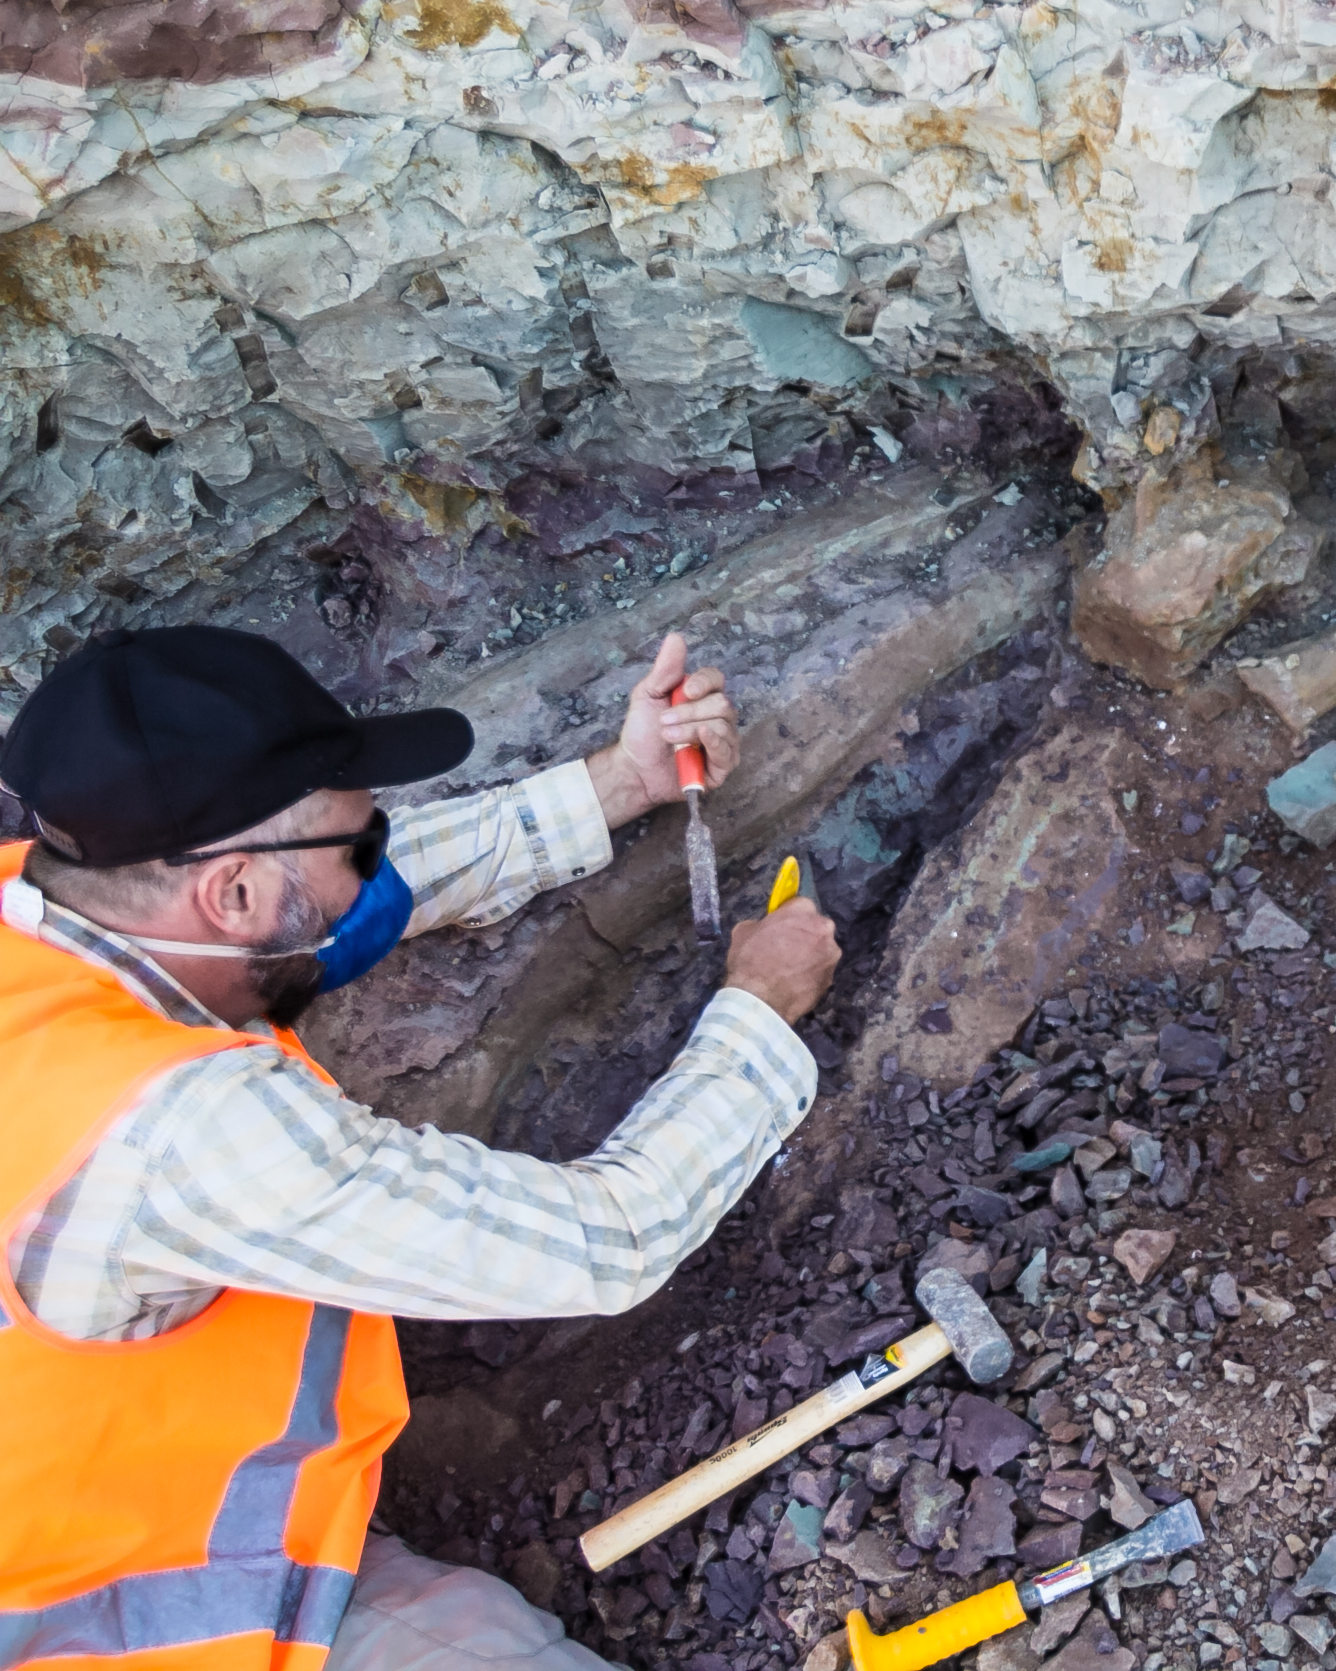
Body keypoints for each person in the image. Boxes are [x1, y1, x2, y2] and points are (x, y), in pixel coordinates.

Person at [0, 625, 842, 1668]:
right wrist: (759, 1010)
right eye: (358, 847)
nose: (376, 866)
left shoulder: (57, 905)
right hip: (141, 1617)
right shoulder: (182, 1133)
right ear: (233, 895)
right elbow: (611, 1239)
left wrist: (621, 784)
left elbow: (319, 902)